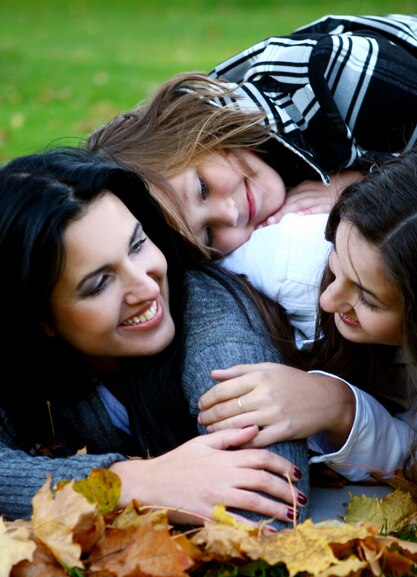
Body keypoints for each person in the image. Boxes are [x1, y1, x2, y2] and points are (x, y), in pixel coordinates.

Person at [0, 147, 314, 528]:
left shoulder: (209, 316)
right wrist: (129, 484)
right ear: (40, 321)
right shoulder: (18, 365)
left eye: (137, 245)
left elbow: (266, 508)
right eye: (100, 283)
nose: (145, 286)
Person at [86, 13, 417, 259]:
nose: (229, 214)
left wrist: (359, 187)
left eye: (202, 188)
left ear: (195, 132)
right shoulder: (254, 168)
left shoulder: (326, 77)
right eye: (209, 234)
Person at [197, 150, 417, 486]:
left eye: (367, 298)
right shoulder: (290, 253)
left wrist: (338, 407)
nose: (329, 301)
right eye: (335, 254)